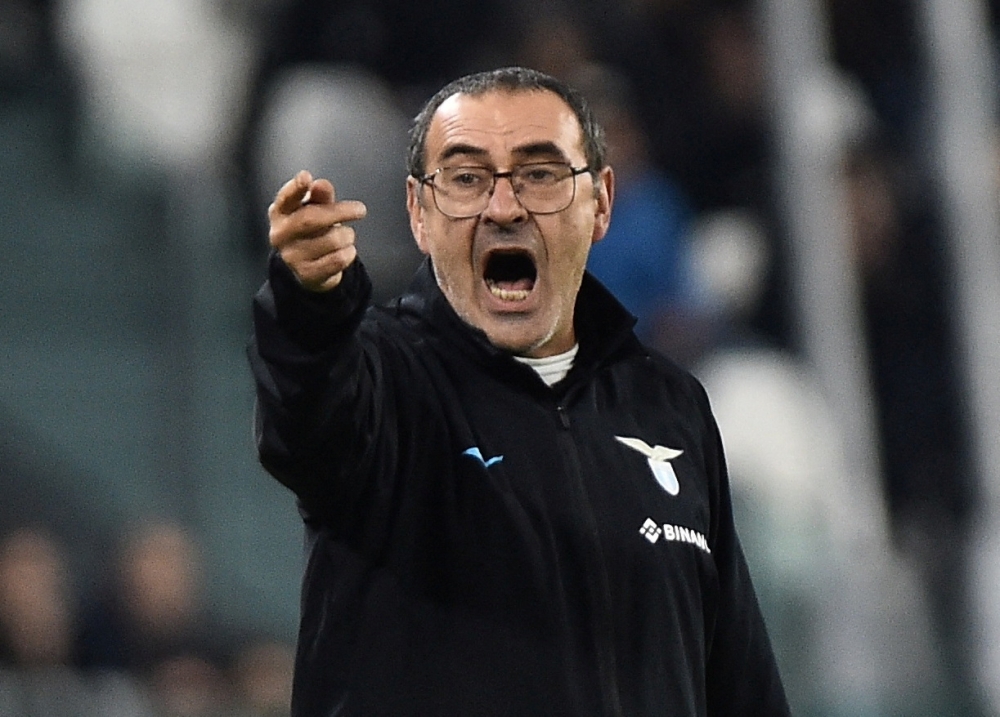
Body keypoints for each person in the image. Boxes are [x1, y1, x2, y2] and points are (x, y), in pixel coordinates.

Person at [248, 66, 789, 717]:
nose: (504, 207)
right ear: (419, 214)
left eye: (540, 174)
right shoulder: (382, 378)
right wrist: (309, 309)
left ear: (600, 204)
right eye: (467, 178)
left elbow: (739, 678)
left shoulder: (671, 406)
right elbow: (305, 424)